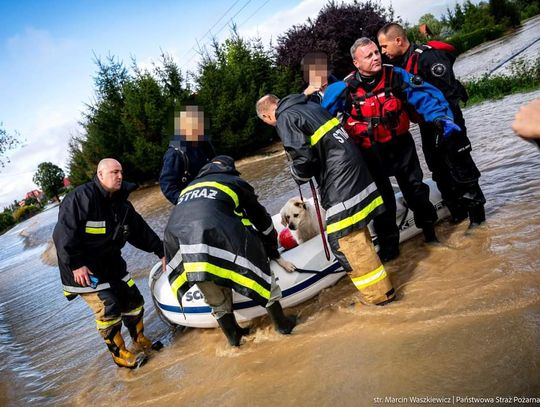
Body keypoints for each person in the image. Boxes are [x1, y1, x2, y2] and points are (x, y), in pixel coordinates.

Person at [323, 37, 460, 262]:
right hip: (370, 154)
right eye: (369, 55)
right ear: (356, 63)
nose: (376, 57)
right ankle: (390, 249)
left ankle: (430, 234)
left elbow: (425, 96)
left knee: (416, 190)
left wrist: (440, 118)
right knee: (382, 203)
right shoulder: (343, 89)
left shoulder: (396, 75)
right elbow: (319, 120)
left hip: (401, 146)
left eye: (377, 52)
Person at [256, 93, 396, 306]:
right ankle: (381, 289)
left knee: (342, 240)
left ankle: (379, 298)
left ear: (267, 116)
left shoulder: (285, 118)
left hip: (341, 181)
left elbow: (304, 160)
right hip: (355, 172)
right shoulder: (310, 106)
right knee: (355, 234)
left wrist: (297, 174)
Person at [164, 155, 296, 347]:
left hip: (179, 245)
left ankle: (234, 338)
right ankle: (282, 325)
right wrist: (270, 249)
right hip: (217, 234)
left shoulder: (189, 188)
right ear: (229, 168)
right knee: (263, 278)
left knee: (214, 297)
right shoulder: (234, 181)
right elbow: (261, 219)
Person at [53, 158, 165, 369]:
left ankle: (139, 340)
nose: (120, 176)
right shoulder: (80, 198)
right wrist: (76, 263)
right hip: (81, 267)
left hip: (110, 263)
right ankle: (119, 354)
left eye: (121, 171)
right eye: (114, 172)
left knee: (133, 299)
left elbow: (139, 231)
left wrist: (161, 251)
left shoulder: (122, 204)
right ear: (100, 175)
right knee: (108, 306)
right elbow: (62, 233)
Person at [377, 23, 486, 228]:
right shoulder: (400, 66)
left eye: (384, 46)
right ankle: (458, 214)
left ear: (398, 40)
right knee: (438, 170)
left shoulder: (428, 57)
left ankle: (478, 221)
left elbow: (449, 95)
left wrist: (446, 125)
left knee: (461, 168)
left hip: (448, 121)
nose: (382, 52)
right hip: (427, 126)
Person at [159, 105, 216, 205]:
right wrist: (185, 203)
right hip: (194, 203)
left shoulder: (204, 142)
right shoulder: (175, 153)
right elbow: (167, 185)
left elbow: (215, 161)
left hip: (213, 193)